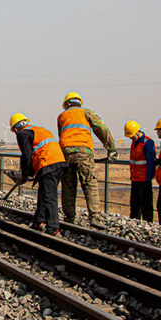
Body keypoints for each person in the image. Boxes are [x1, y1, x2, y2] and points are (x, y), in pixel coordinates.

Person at [56, 92, 117, 230]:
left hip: (65, 153)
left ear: (66, 104)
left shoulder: (61, 116)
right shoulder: (87, 112)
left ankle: (70, 217)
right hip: (84, 152)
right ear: (79, 102)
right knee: (89, 183)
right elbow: (101, 129)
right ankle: (95, 216)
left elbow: (61, 135)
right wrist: (111, 148)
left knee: (68, 186)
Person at [10, 113, 66, 236]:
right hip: (59, 162)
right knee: (44, 193)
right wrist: (29, 172)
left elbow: (26, 156)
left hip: (48, 163)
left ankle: (53, 228)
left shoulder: (22, 134)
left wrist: (24, 174)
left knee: (49, 196)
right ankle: (39, 221)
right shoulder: (39, 129)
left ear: (15, 129)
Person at [124, 120, 155, 222]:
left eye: (132, 136)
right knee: (134, 204)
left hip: (144, 179)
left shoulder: (148, 143)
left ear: (138, 132)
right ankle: (134, 223)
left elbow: (151, 162)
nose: (131, 138)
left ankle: (148, 223)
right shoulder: (134, 142)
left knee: (146, 205)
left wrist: (148, 178)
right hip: (135, 178)